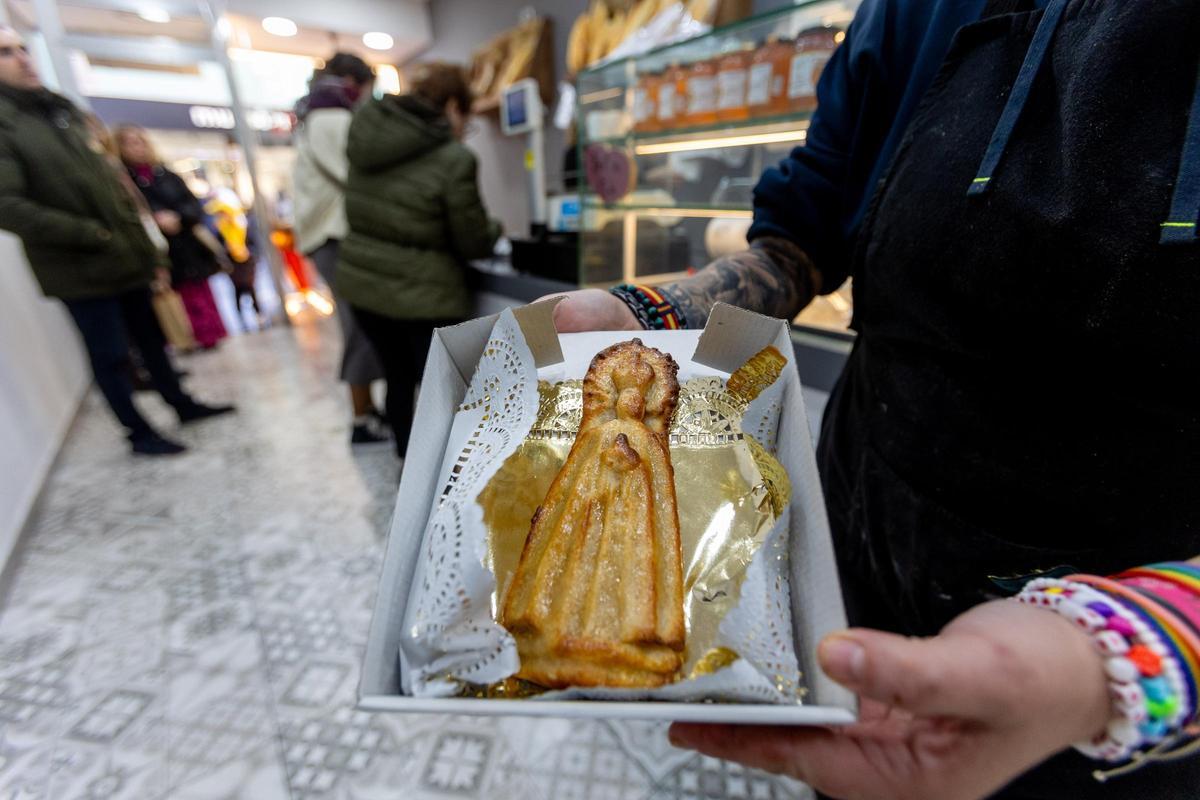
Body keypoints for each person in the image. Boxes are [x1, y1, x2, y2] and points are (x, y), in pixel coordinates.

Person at [548, 1, 1200, 797]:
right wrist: (660, 315)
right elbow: (803, 236)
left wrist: (1129, 652)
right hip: (863, 524)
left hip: (1114, 655)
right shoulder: (911, 10)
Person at [0, 26, 233, 456]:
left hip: (124, 258)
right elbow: (7, 205)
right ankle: (138, 433)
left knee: (152, 341)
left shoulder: (59, 112)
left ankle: (181, 405)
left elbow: (113, 188)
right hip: (79, 267)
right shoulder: (8, 126)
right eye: (5, 53)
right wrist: (92, 234)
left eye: (21, 48)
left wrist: (143, 249)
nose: (22, 58)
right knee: (110, 355)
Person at [337, 62, 501, 459]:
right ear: (451, 106)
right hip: (421, 296)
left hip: (364, 290)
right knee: (438, 393)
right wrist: (496, 229)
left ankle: (406, 474)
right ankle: (436, 482)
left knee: (398, 379)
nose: (465, 128)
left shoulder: (367, 141)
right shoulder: (453, 159)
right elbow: (472, 240)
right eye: (466, 117)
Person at [292, 53, 389, 446]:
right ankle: (361, 420)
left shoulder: (315, 114)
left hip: (327, 238)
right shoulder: (333, 118)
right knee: (360, 327)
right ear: (355, 80)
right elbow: (356, 175)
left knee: (360, 325)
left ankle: (366, 409)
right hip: (337, 237)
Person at [115, 125, 228, 350]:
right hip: (161, 252)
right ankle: (184, 339)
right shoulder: (125, 181)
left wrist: (178, 217)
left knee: (200, 293)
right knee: (174, 300)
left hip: (188, 247)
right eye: (130, 142)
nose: (138, 147)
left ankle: (209, 335)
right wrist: (155, 220)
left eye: (140, 141)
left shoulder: (166, 174)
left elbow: (194, 207)